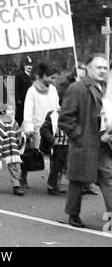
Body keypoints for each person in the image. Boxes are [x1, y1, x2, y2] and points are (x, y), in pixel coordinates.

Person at [58, 54, 108, 228]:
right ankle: (73, 214)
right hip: (85, 142)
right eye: (98, 67)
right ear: (87, 68)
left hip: (103, 142)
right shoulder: (78, 88)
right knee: (78, 181)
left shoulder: (106, 88)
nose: (102, 70)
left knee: (107, 179)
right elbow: (65, 118)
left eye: (105, 67)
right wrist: (78, 136)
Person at [57, 62, 98, 195]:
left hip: (87, 124)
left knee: (87, 159)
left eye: (83, 69)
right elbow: (64, 104)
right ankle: (64, 182)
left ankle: (88, 184)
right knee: (67, 156)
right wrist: (75, 132)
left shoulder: (91, 84)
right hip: (75, 125)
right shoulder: (69, 85)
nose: (81, 72)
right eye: (78, 69)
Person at [22, 62, 60, 188]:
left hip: (51, 127)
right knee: (30, 153)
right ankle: (23, 176)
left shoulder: (53, 90)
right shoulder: (32, 91)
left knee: (55, 154)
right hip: (36, 126)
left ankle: (54, 182)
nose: (54, 80)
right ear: (44, 76)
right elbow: (28, 110)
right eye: (52, 77)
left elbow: (56, 107)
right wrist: (29, 128)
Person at [0, 103, 25, 196]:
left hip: (12, 150)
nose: (12, 111)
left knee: (13, 167)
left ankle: (16, 187)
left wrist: (21, 140)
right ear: (4, 112)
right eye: (9, 109)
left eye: (12, 109)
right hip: (1, 149)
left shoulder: (14, 123)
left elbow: (18, 135)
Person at [39, 107, 68, 195]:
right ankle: (52, 186)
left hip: (69, 145)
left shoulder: (74, 115)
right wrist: (52, 140)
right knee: (56, 167)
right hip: (57, 146)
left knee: (69, 166)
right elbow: (44, 129)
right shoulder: (53, 115)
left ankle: (59, 185)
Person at [15, 55, 34, 126]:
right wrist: (18, 101)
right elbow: (16, 90)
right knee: (19, 120)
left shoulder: (33, 77)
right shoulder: (19, 76)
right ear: (24, 66)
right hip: (22, 103)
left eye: (30, 65)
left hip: (31, 102)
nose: (29, 67)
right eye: (27, 65)